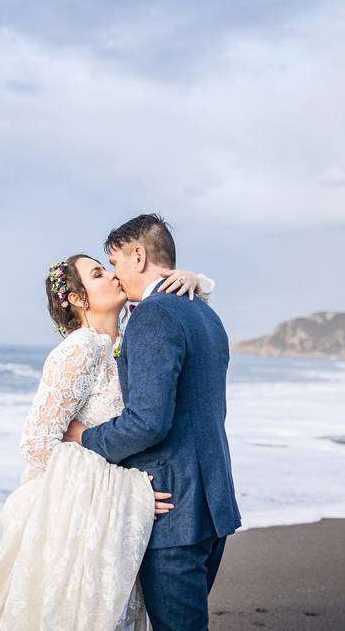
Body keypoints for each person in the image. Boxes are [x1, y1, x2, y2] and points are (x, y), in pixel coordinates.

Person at [0, 244, 215, 630]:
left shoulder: (128, 338)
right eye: (97, 274)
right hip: (80, 517)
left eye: (108, 269)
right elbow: (37, 444)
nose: (112, 275)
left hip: (117, 522)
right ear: (77, 299)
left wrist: (194, 281)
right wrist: (126, 489)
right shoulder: (80, 350)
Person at [63, 214, 241, 630]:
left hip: (173, 510)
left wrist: (86, 438)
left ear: (138, 255)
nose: (114, 275)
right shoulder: (206, 314)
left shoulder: (152, 316)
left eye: (115, 262)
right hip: (213, 503)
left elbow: (147, 422)